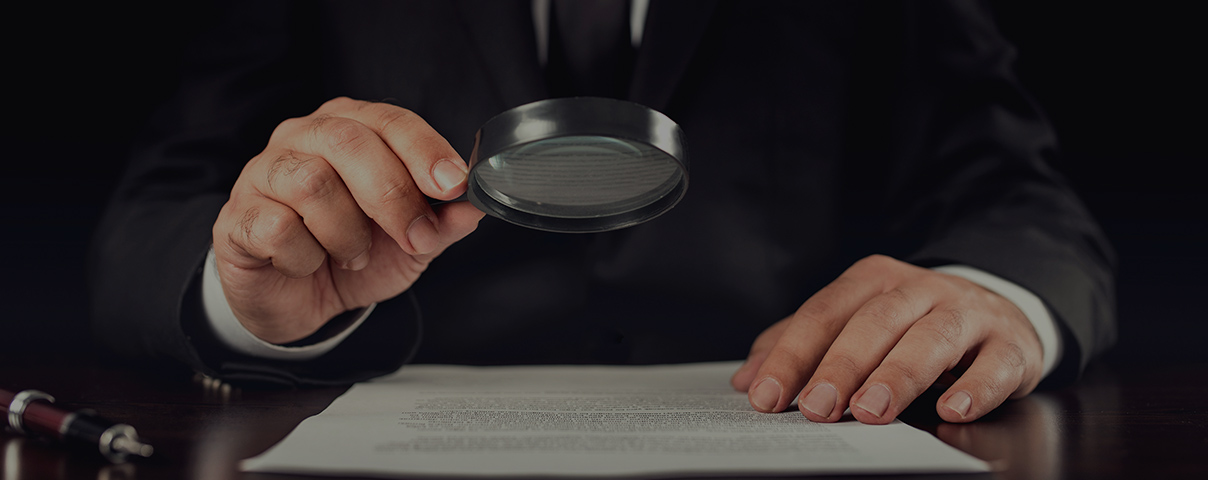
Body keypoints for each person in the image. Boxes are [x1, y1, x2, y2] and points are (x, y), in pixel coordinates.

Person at [90, 0, 1115, 425]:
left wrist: (989, 297)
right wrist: (247, 285)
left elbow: (1012, 189)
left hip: (786, 412)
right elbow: (153, 210)